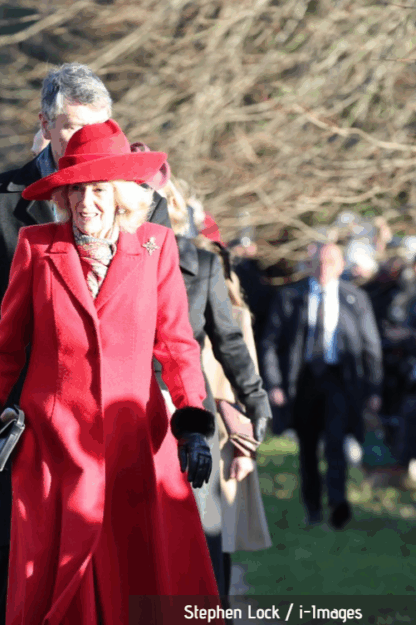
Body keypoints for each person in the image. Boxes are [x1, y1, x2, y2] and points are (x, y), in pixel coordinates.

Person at [0, 120, 219, 624]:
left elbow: (177, 344)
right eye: (76, 190)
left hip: (135, 440)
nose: (86, 203)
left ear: (120, 194)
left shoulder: (156, 247)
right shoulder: (37, 246)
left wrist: (191, 422)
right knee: (57, 578)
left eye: (98, 189)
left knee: (136, 573)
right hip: (55, 445)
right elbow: (4, 347)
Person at [165, 180, 272, 599]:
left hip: (207, 413)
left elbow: (232, 339)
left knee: (208, 527)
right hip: (143, 408)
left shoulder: (207, 268)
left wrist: (248, 416)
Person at [260, 243, 383, 529]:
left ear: (341, 266)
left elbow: (371, 347)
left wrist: (374, 389)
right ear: (310, 264)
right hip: (302, 383)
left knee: (336, 445)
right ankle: (312, 509)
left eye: (330, 261)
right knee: (308, 448)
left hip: (338, 381)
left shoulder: (355, 299)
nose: (324, 267)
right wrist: (275, 383)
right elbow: (269, 344)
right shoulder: (291, 297)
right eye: (318, 262)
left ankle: (338, 507)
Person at [197, 240, 273, 594]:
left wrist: (246, 449)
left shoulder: (237, 316)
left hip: (223, 436)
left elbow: (247, 379)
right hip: (181, 428)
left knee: (216, 538)